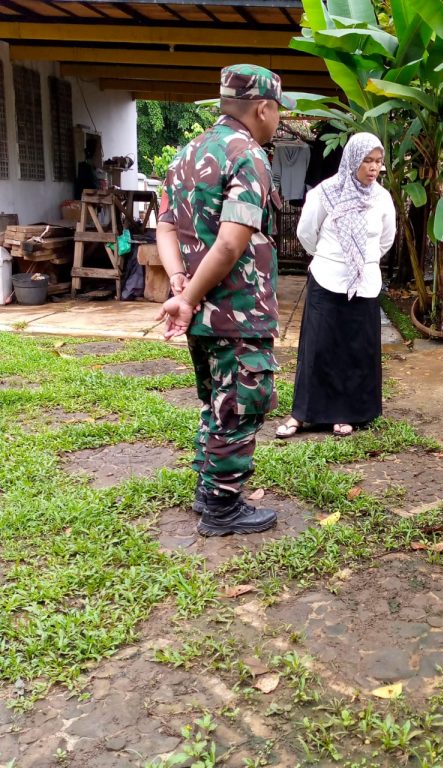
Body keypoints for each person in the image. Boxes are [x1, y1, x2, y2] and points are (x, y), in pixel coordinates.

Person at [155, 64, 293, 536]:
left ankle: (207, 491)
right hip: (237, 311)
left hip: (202, 313)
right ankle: (222, 508)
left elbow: (165, 227)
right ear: (263, 107)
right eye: (277, 112)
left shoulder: (185, 154)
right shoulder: (248, 155)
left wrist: (180, 285)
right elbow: (232, 243)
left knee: (217, 402)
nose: (277, 121)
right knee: (239, 405)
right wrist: (190, 295)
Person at [275, 132, 396, 439]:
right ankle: (303, 414)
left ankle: (348, 413)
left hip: (364, 283)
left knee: (356, 349)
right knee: (318, 346)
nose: (373, 168)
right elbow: (307, 234)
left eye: (378, 161)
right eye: (367, 160)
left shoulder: (381, 198)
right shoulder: (324, 193)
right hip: (328, 277)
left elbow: (385, 240)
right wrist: (335, 257)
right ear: (353, 159)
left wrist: (360, 261)